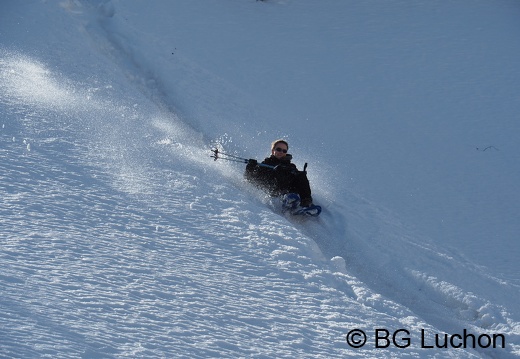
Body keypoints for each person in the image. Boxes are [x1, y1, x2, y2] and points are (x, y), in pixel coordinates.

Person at [245, 139, 314, 208]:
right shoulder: (266, 164)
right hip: (275, 191)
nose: (281, 152)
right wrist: (251, 166)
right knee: (279, 173)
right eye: (278, 149)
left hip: (290, 189)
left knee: (301, 176)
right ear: (273, 151)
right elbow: (250, 178)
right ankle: (288, 200)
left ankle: (306, 203)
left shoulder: (290, 166)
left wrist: (300, 175)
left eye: (284, 151)